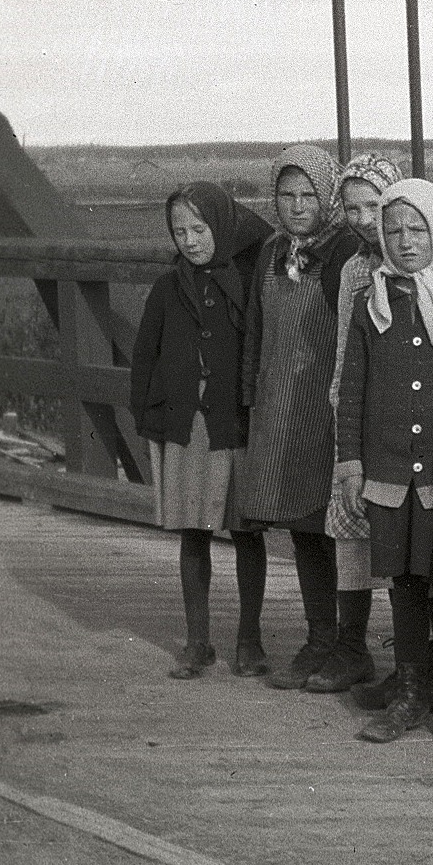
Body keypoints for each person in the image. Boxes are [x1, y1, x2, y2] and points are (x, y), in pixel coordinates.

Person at [336, 179, 433, 746]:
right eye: (394, 230)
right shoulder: (371, 303)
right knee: (403, 581)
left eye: (417, 228)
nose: (405, 241)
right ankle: (407, 692)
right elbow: (352, 387)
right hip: (390, 470)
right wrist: (351, 462)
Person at [131, 182, 275, 679]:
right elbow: (145, 355)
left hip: (234, 424)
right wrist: (149, 413)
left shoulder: (248, 279)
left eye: (199, 228)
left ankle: (249, 642)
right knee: (193, 533)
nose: (190, 241)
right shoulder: (168, 288)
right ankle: (197, 642)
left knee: (246, 532)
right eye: (179, 231)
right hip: (188, 427)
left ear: (221, 224)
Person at [240, 145, 363, 691]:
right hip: (281, 405)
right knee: (303, 528)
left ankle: (347, 643)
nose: (297, 205)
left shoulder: (344, 251)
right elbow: (256, 334)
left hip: (328, 405)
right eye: (287, 195)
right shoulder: (271, 252)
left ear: (328, 196)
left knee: (333, 525)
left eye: (309, 194)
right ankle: (318, 638)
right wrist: (252, 397)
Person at [313, 152, 403, 700]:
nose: (365, 219)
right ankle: (352, 646)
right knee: (352, 526)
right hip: (362, 409)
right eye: (352, 208)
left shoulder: (431, 255)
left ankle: (418, 659)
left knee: (405, 537)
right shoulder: (353, 270)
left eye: (375, 205)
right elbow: (347, 347)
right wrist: (343, 411)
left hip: (413, 417)